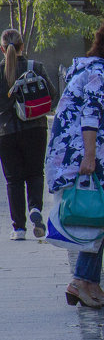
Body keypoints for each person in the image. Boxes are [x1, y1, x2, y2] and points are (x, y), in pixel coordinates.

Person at [45, 19, 104, 308]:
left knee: (98, 219)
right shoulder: (102, 73)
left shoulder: (86, 68)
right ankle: (80, 283)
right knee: (97, 218)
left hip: (79, 155)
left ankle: (91, 285)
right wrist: (89, 156)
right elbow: (91, 114)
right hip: (89, 158)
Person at [0, 28, 57, 240]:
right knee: (35, 173)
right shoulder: (37, 67)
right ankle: (35, 208)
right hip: (36, 128)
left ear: (2, 49)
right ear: (23, 46)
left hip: (5, 132)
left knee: (13, 180)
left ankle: (19, 229)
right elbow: (53, 95)